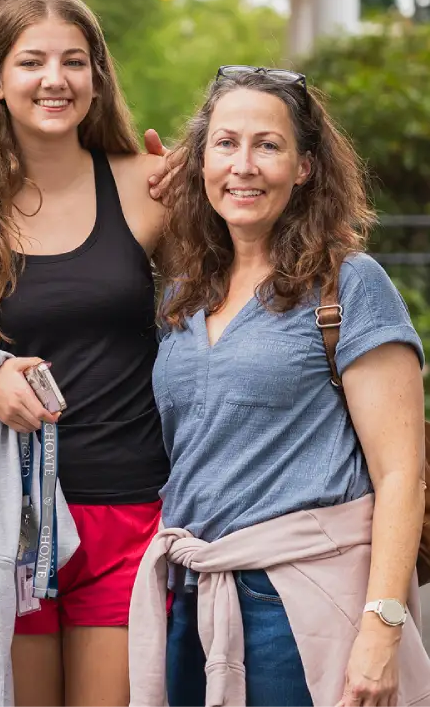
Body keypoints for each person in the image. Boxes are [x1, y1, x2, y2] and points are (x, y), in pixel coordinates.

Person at [136, 66, 427, 706]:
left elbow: (402, 474)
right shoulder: (184, 293)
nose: (243, 165)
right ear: (200, 161)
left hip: (297, 603)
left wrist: (382, 627)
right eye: (225, 144)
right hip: (192, 594)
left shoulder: (349, 285)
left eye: (267, 145)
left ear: (304, 168)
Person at [0, 0, 170, 707]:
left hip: (128, 509)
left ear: (98, 77)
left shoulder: (151, 188)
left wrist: (210, 174)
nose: (54, 79)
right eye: (32, 62)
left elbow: (213, 313)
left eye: (74, 61)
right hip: (11, 516)